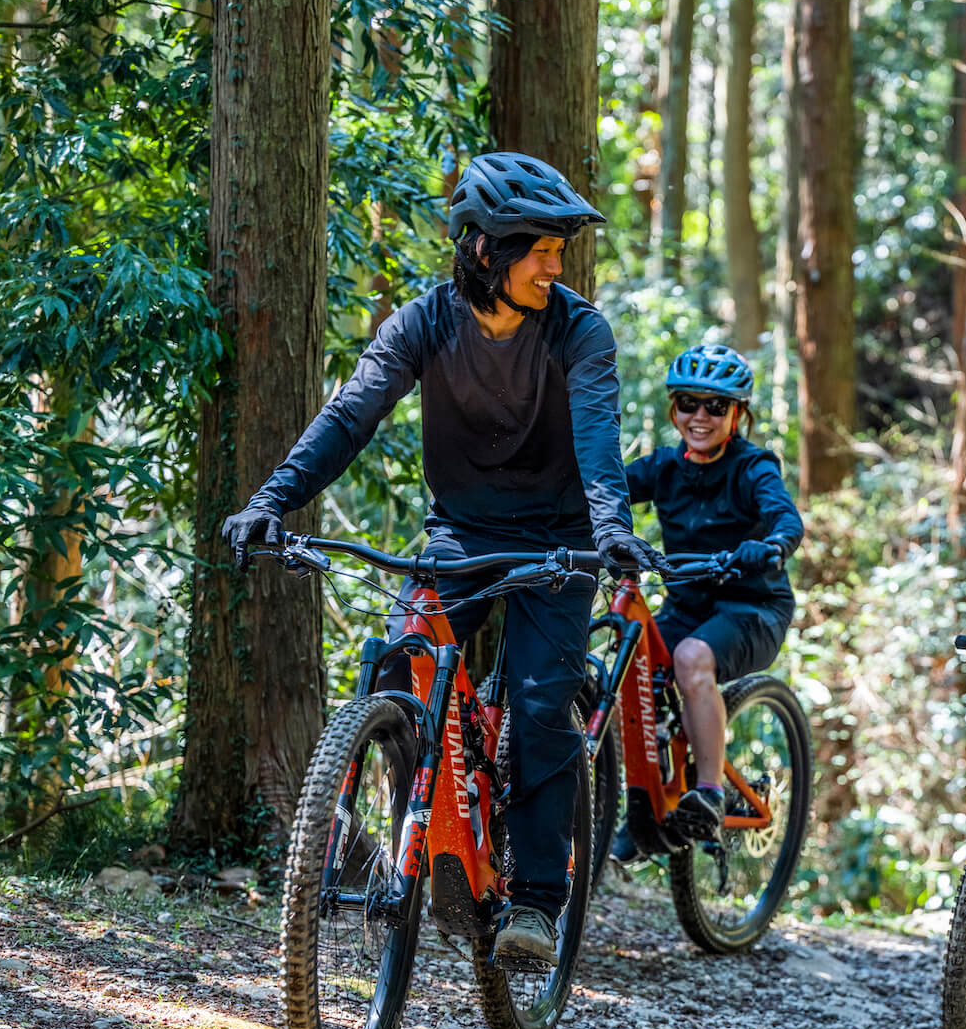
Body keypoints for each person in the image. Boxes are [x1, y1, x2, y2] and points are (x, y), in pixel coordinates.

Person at [218, 152, 665, 971]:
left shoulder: (579, 331)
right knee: (398, 669)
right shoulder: (425, 322)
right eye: (542, 249)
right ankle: (390, 833)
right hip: (460, 532)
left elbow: (600, 447)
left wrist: (610, 532)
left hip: (562, 544)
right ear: (486, 251)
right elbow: (350, 415)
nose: (557, 265)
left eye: (561, 250)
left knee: (536, 708)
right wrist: (272, 501)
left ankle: (534, 899)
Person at [614, 343, 804, 858]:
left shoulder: (753, 468)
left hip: (751, 607)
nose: (701, 417)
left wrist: (769, 546)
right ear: (674, 409)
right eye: (689, 404)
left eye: (716, 406)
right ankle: (646, 805)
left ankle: (711, 793)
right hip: (688, 607)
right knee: (628, 670)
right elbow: (607, 488)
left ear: (737, 414)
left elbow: (786, 518)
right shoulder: (666, 467)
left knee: (691, 659)